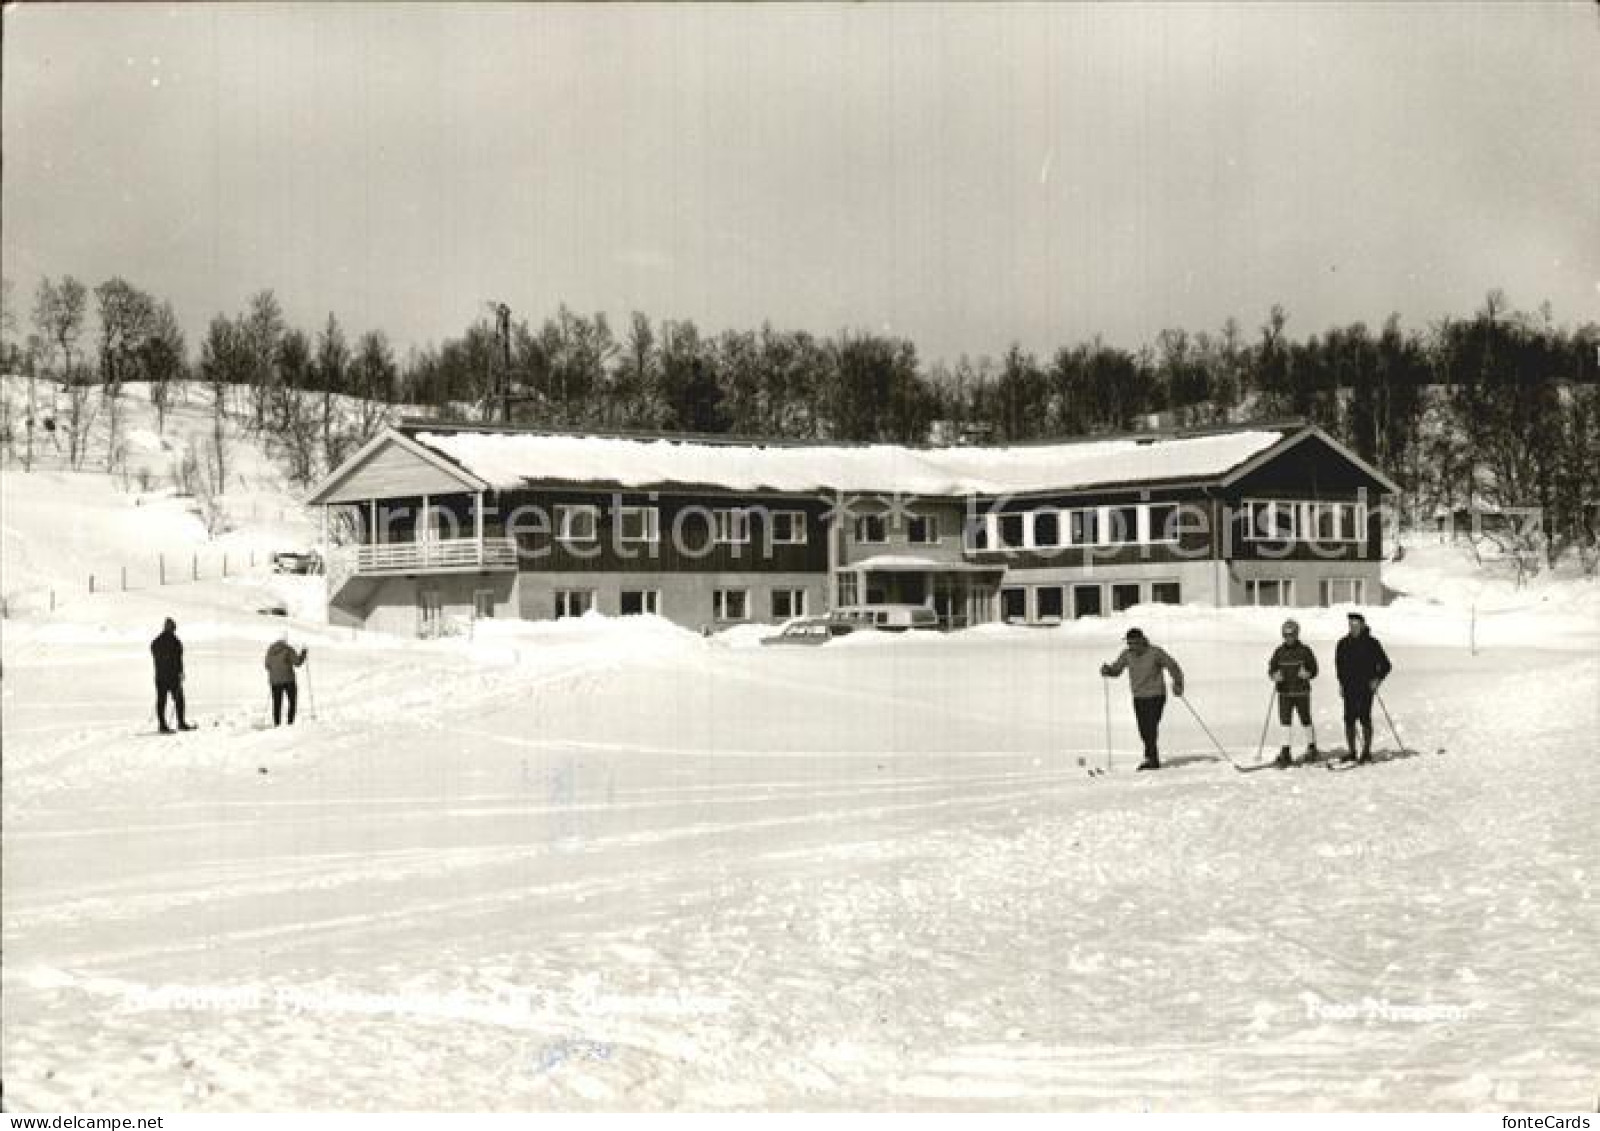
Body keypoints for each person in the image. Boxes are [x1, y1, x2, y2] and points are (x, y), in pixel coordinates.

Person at [1100, 627, 1185, 771]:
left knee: (1150, 727)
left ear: (1141, 640)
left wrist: (1178, 683)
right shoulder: (1127, 655)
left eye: (1133, 643)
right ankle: (1151, 758)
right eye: (1129, 643)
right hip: (1139, 697)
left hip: (1156, 695)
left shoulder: (1155, 652)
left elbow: (1173, 666)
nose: (1131, 646)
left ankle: (1152, 760)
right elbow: (1117, 669)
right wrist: (1109, 670)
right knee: (1143, 730)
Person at [1334, 611, 1392, 763]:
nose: (1353, 627)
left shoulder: (1372, 643)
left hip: (1366, 687)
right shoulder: (1342, 643)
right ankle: (1352, 752)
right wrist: (1341, 683)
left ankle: (1366, 752)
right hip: (1349, 688)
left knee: (1364, 718)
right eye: (1350, 624)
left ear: (1363, 625)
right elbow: (1339, 666)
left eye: (1356, 624)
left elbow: (1386, 665)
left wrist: (1377, 679)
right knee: (1349, 719)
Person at [1267, 618, 1321, 768]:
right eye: (1285, 635)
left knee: (1305, 719)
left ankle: (1312, 748)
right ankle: (1285, 752)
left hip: (1301, 692)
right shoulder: (1279, 651)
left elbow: (1315, 669)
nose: (1288, 638)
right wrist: (1274, 675)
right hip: (1284, 693)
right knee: (1285, 722)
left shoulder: (1305, 650)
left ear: (1297, 634)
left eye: (1291, 635)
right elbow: (1271, 668)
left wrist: (1308, 673)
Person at [149, 617, 195, 733]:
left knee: (162, 700)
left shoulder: (157, 641)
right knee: (177, 700)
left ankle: (164, 725)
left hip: (161, 676)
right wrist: (180, 672)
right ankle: (179, 723)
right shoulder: (174, 641)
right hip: (171, 676)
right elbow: (178, 659)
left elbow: (156, 653)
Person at [264, 636, 309, 726]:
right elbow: (297, 663)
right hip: (288, 680)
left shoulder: (270, 650)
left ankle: (277, 724)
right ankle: (290, 723)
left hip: (275, 681)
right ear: (285, 641)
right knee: (292, 701)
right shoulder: (288, 649)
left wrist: (275, 671)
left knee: (277, 703)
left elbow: (267, 665)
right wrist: (303, 653)